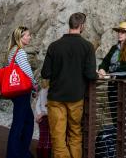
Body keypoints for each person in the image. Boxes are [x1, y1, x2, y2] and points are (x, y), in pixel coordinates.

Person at [41, 12, 98, 158]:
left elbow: (45, 73)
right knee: (75, 134)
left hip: (56, 98)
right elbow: (90, 75)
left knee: (58, 138)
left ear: (70, 24)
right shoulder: (88, 47)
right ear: (82, 26)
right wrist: (99, 75)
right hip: (76, 98)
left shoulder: (54, 46)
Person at [6, 26, 38, 158]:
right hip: (21, 92)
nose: (30, 37)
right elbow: (28, 72)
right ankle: (16, 154)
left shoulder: (12, 51)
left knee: (26, 121)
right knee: (20, 123)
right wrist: (35, 86)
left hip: (15, 91)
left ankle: (21, 151)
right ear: (21, 37)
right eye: (27, 35)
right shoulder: (20, 52)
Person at [97, 21, 126, 121]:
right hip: (113, 84)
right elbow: (106, 61)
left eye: (123, 32)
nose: (120, 34)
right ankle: (116, 130)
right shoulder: (114, 48)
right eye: (119, 32)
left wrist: (113, 71)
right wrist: (102, 69)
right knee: (114, 112)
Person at [34, 79, 51, 158]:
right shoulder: (52, 92)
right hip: (49, 117)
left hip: (41, 118)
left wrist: (39, 114)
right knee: (48, 139)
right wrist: (44, 113)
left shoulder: (42, 91)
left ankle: (39, 155)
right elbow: (51, 107)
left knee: (42, 138)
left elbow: (37, 105)